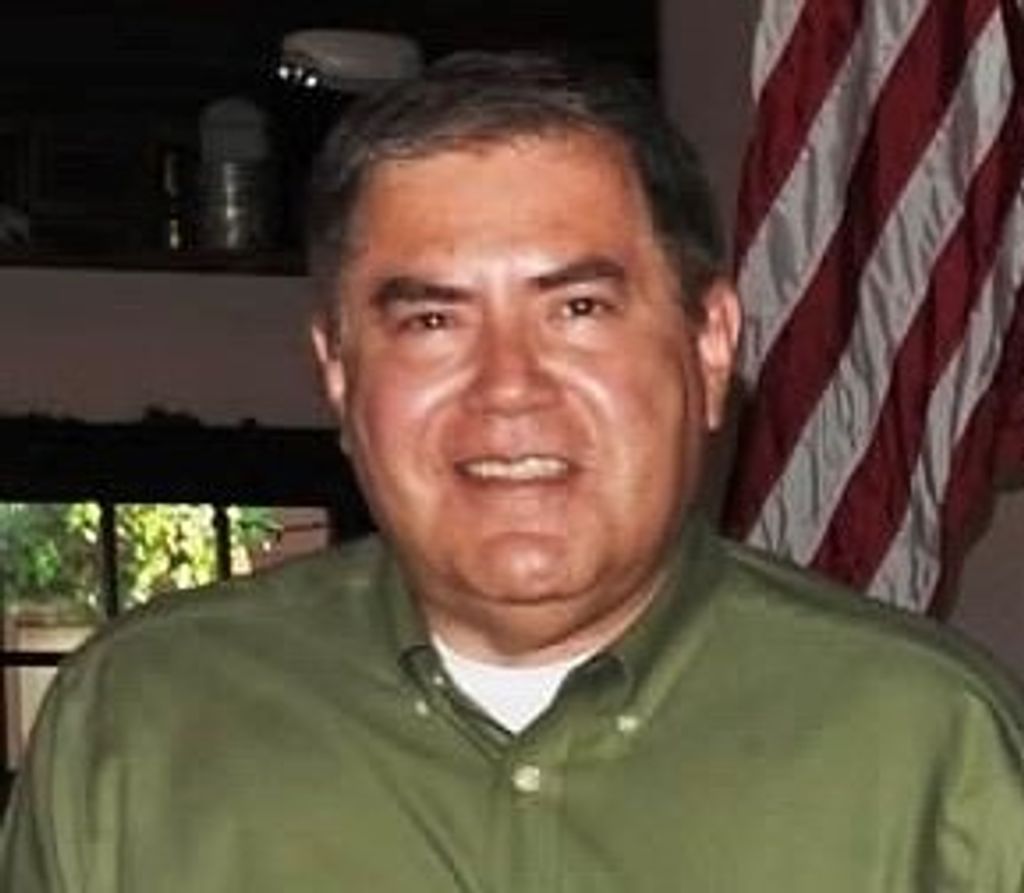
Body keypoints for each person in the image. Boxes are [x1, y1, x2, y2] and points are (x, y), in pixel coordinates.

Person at [3, 51, 1023, 892]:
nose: (508, 389)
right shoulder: (138, 726)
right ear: (339, 371)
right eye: (431, 320)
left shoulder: (935, 750)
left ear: (710, 345)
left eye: (577, 309)